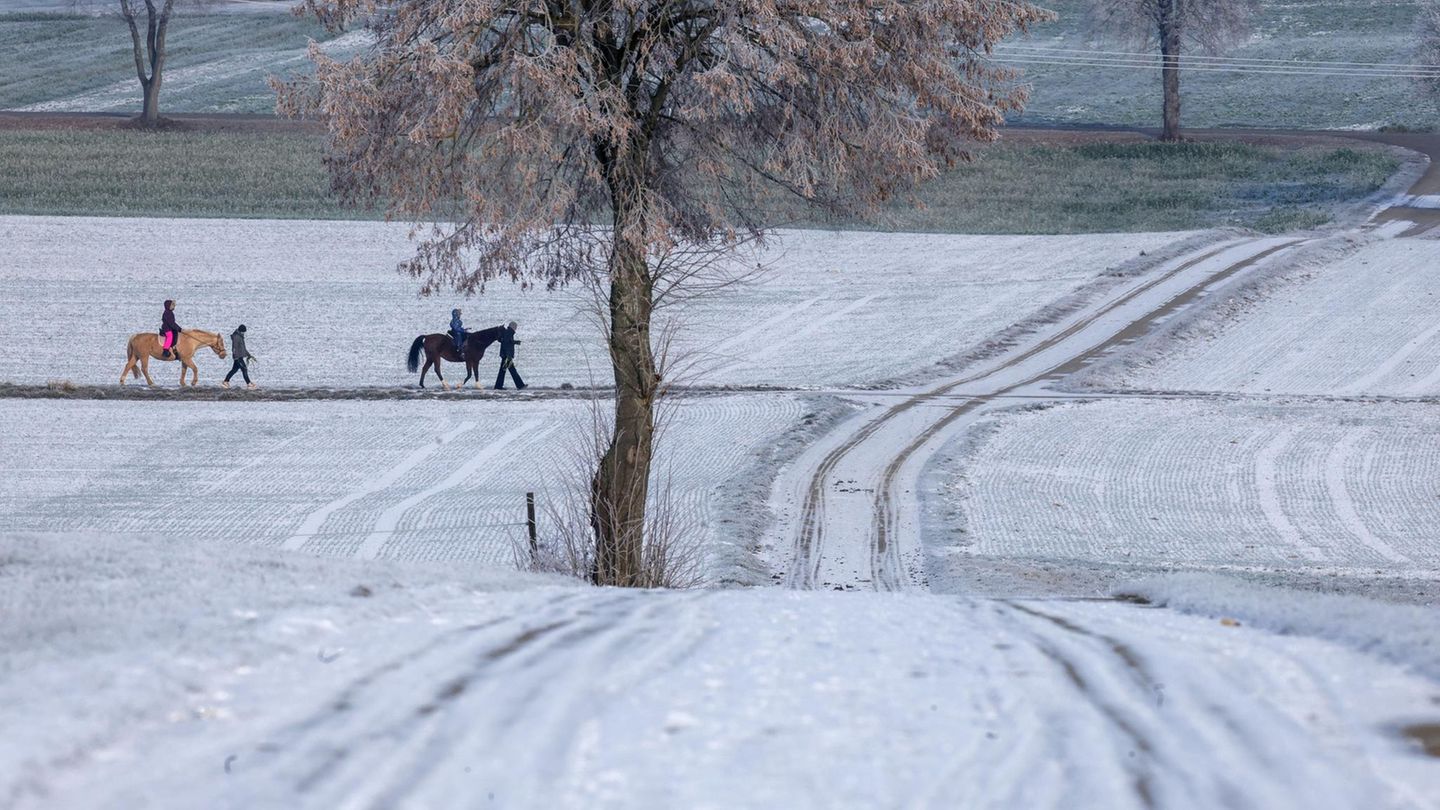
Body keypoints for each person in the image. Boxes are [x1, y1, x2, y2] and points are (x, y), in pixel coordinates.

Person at [222, 324, 257, 389]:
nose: (244, 333)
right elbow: (234, 348)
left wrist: (248, 354)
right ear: (241, 330)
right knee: (244, 369)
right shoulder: (236, 337)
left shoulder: (240, 336)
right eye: (243, 331)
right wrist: (235, 356)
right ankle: (249, 384)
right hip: (237, 357)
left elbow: (243, 348)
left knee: (234, 370)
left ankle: (225, 382)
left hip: (240, 356)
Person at [495, 320, 526, 390]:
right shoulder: (509, 332)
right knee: (512, 371)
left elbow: (507, 342)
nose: (516, 328)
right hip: (507, 356)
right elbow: (506, 344)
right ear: (513, 327)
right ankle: (520, 385)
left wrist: (515, 342)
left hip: (505, 355)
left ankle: (498, 386)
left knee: (503, 371)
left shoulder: (508, 332)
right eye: (515, 327)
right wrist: (508, 355)